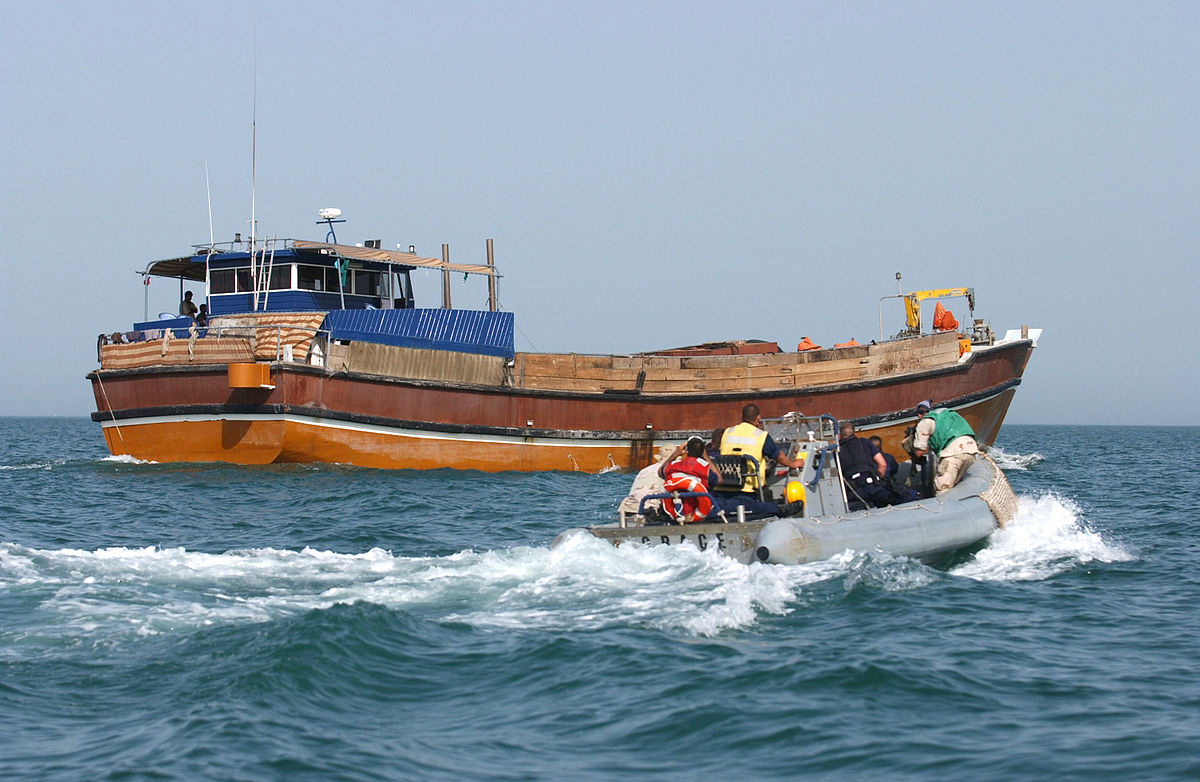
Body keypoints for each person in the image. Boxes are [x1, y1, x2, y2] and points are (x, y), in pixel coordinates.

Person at [716, 403, 803, 516]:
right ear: (758, 418)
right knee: (759, 505)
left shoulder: (728, 432)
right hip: (747, 488)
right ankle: (780, 509)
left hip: (724, 485)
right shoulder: (760, 436)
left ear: (740, 416)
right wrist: (792, 464)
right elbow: (777, 456)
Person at [911, 400, 979, 494]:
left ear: (919, 415)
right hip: (971, 450)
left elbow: (919, 452)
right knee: (954, 485)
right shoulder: (946, 412)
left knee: (942, 491)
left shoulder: (925, 422)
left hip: (953, 454)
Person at [658, 436, 721, 522]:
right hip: (698, 514)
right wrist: (706, 458)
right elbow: (719, 480)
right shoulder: (705, 469)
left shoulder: (673, 466)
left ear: (686, 450)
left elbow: (660, 472)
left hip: (675, 512)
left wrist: (676, 453)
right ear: (703, 451)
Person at [837, 422, 893, 507]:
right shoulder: (864, 442)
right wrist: (879, 479)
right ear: (854, 433)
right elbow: (882, 464)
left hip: (854, 493)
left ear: (839, 436)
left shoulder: (836, 452)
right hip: (873, 487)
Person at [869, 434, 921, 504]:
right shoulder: (888, 457)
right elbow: (894, 469)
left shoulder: (867, 461)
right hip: (890, 483)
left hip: (878, 487)